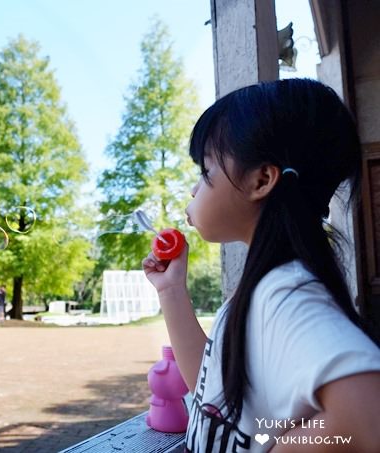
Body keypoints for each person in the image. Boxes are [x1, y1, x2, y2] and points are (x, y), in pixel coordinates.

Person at [141, 79, 380, 452]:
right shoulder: (264, 288)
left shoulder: (285, 292)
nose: (193, 189)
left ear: (261, 180)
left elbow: (369, 421)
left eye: (205, 172)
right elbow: (212, 395)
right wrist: (171, 291)